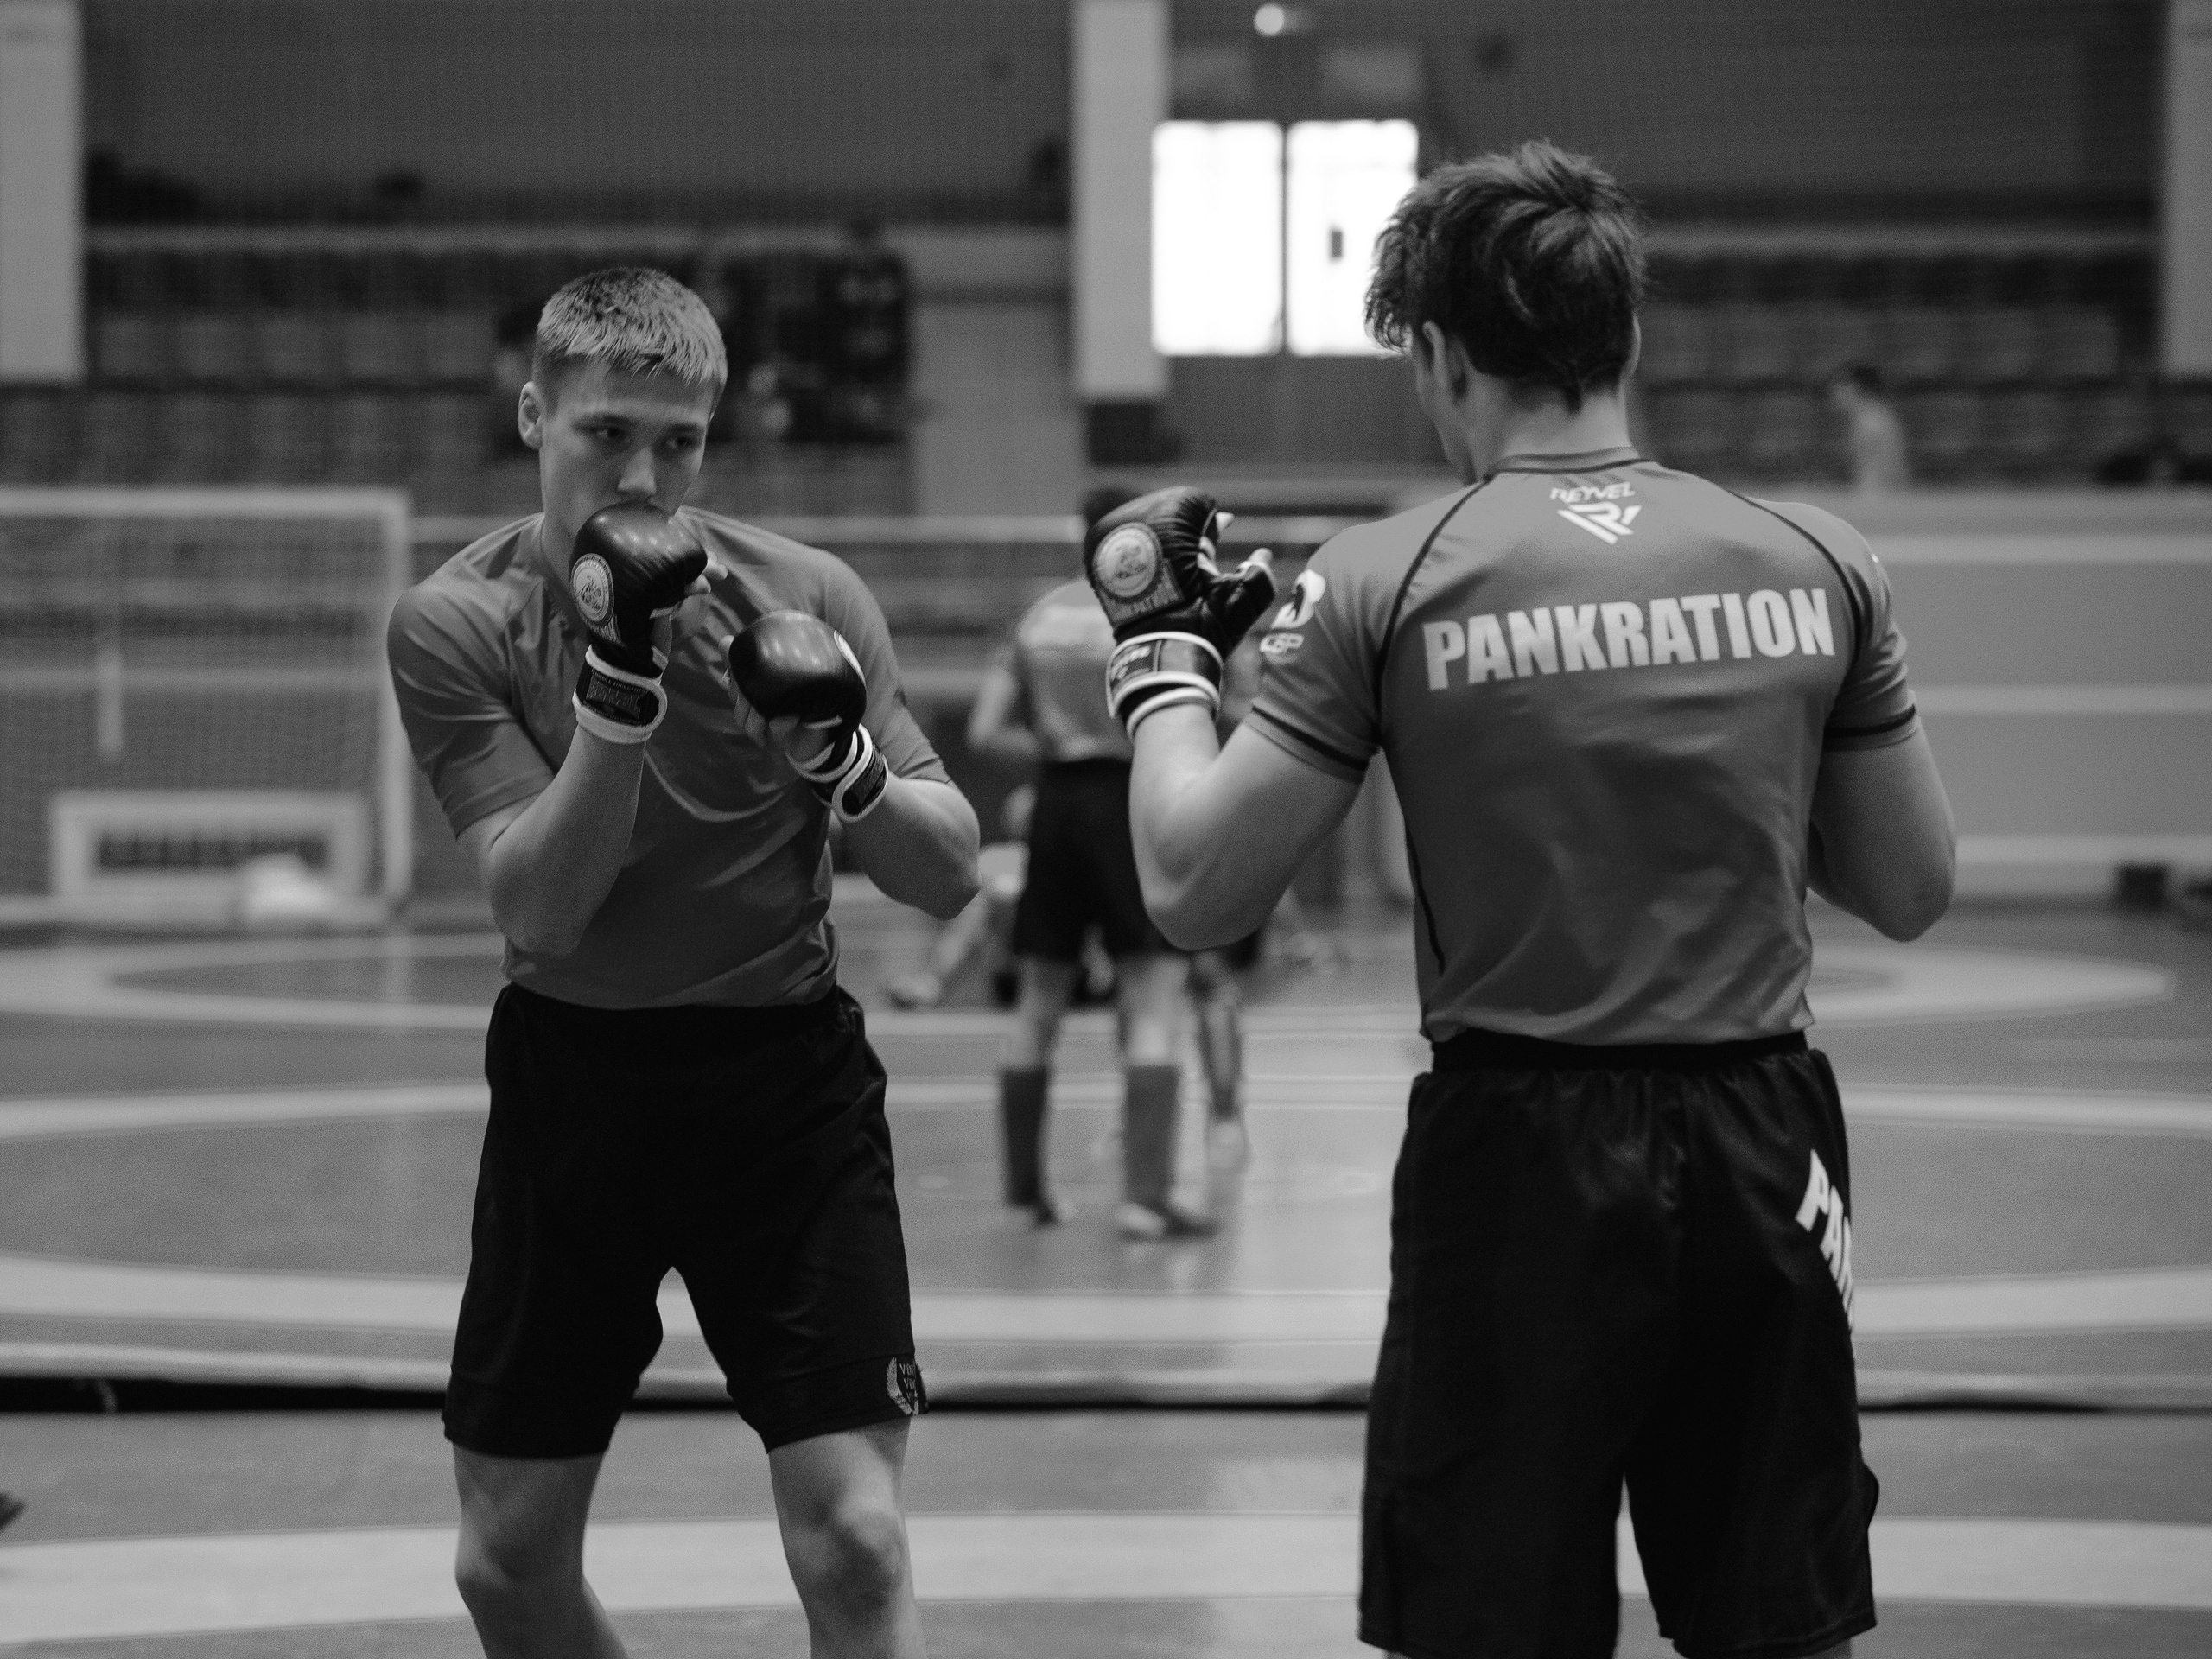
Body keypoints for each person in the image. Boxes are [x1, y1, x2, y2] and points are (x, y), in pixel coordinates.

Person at [1083, 142, 1955, 1659]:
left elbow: (1191, 888)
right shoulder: (1821, 560)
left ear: (1433, 351)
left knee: (1491, 1623)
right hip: (1764, 1143)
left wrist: (1163, 655)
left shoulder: (1385, 578)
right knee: (1777, 1622)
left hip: (1521, 1158)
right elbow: (1910, 883)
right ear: (1629, 332)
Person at [387, 267, 978, 1659]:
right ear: (533, 413)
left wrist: (842, 767)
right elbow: (540, 913)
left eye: (680, 442)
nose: (644, 474)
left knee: (857, 1540)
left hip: (784, 1088)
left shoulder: (808, 593)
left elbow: (949, 873)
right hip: (576, 1092)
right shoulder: (457, 624)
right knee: (507, 1563)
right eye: (606, 434)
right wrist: (622, 688)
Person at [964, 487, 1211, 1239]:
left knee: (1040, 996)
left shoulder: (1041, 616)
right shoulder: (1148, 614)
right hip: (1130, 799)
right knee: (1153, 995)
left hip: (1057, 805)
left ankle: (1026, 1194)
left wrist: (1053, 750)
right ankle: (1144, 1198)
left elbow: (983, 730)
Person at [1827, 364, 1910, 493]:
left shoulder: (1872, 422)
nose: (1833, 393)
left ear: (1854, 388)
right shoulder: (1869, 417)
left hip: (1878, 495)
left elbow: (1888, 472)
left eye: (1838, 386)